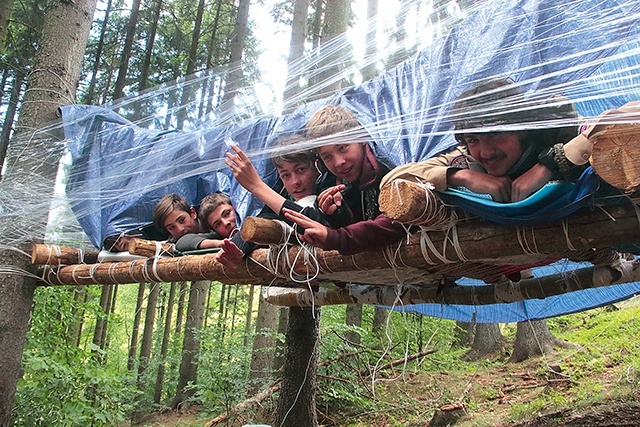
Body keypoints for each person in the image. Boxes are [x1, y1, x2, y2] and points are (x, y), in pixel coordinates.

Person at [380, 78, 586, 202]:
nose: (486, 152)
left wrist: (548, 164)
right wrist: (463, 177)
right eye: (473, 140)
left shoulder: (554, 128)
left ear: (521, 129)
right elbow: (391, 179)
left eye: (494, 134)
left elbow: (605, 128)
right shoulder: (467, 159)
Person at [282, 104, 407, 255]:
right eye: (327, 157)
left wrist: (336, 238)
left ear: (361, 137)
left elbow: (396, 221)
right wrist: (335, 214)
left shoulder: (389, 164)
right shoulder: (335, 184)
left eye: (343, 148)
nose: (338, 162)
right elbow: (355, 221)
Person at [218, 135, 324, 268]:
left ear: (317, 165)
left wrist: (257, 186)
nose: (295, 182)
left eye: (301, 169)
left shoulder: (332, 189)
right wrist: (237, 247)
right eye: (286, 175)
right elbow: (266, 219)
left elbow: (314, 220)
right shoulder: (281, 199)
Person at [152, 192, 237, 253]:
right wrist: (220, 244)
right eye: (171, 227)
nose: (180, 229)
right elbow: (183, 242)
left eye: (182, 220)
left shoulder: (211, 224)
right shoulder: (174, 244)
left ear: (193, 213)